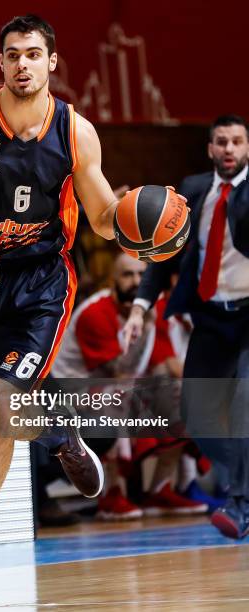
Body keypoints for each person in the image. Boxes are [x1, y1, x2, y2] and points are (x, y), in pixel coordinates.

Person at [0, 15, 184, 601]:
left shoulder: (76, 134)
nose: (22, 64)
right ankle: (60, 437)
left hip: (42, 286)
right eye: (12, 55)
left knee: (2, 408)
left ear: (52, 61)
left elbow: (104, 218)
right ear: (1, 63)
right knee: (11, 410)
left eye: (33, 54)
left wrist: (140, 230)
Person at [125, 114, 249, 539]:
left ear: (247, 148)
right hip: (211, 316)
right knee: (197, 418)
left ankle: (238, 505)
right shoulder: (193, 190)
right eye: (221, 142)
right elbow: (161, 256)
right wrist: (140, 307)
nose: (229, 149)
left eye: (237, 141)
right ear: (210, 148)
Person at [52, 253, 206, 519]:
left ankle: (160, 488)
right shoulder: (95, 311)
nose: (136, 281)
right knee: (118, 397)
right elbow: (118, 372)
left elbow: (163, 365)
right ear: (113, 281)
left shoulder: (151, 311)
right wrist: (146, 327)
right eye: (127, 275)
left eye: (141, 275)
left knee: (185, 396)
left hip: (114, 387)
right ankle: (113, 494)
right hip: (70, 396)